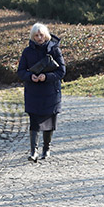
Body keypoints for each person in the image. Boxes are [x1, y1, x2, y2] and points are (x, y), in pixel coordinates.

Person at [17, 23, 66, 162]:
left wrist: (46, 77)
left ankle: (46, 149)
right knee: (34, 122)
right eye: (36, 35)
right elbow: (20, 71)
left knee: (49, 121)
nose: (39, 38)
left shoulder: (54, 50)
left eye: (41, 35)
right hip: (33, 91)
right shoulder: (27, 52)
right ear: (32, 37)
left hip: (50, 91)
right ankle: (33, 152)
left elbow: (61, 71)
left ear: (46, 35)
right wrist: (30, 77)